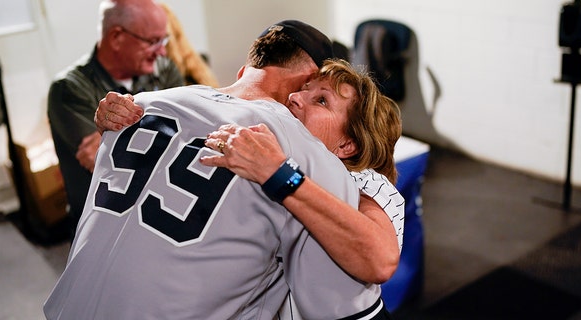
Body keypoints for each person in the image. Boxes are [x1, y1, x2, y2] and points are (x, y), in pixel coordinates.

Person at [45, 20, 389, 319]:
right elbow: (366, 284)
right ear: (302, 85)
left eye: (323, 100)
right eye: (315, 93)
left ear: (245, 69)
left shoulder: (136, 106)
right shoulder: (303, 155)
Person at [47, 0, 184, 235]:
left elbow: (185, 142)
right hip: (100, 226)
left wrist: (119, 143)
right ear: (117, 37)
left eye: (164, 40)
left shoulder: (164, 68)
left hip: (154, 220)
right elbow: (99, 160)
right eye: (153, 41)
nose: (162, 51)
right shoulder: (69, 88)